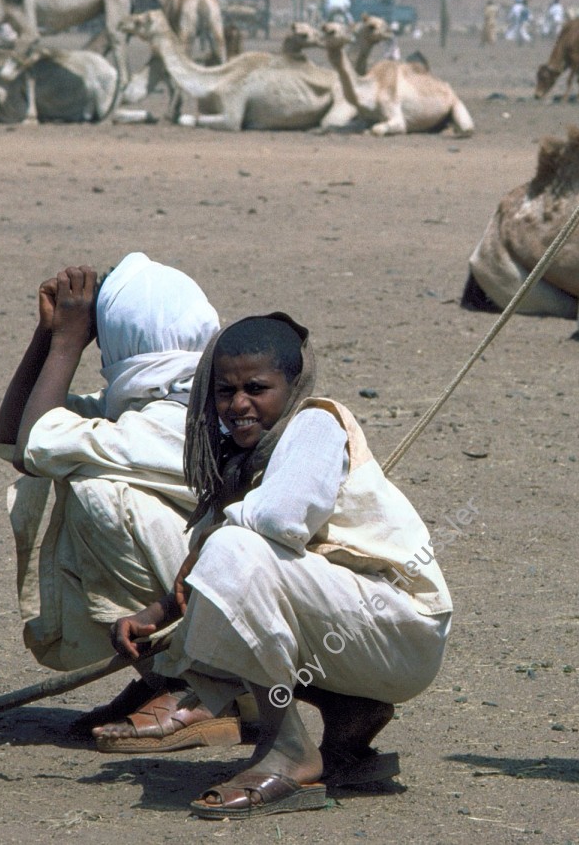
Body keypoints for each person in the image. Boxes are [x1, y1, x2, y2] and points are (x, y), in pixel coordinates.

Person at [111, 314, 452, 819]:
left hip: (399, 629)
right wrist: (159, 612)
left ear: (293, 386)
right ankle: (348, 711)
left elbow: (282, 520)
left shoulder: (314, 423)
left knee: (232, 553)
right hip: (359, 636)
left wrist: (212, 542)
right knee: (208, 605)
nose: (238, 404)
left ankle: (287, 749)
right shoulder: (239, 464)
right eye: (225, 391)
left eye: (257, 388)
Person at [0, 253, 237, 751]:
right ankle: (167, 677)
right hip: (216, 593)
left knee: (95, 493)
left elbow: (35, 445)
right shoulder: (153, 399)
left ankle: (201, 690)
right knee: (89, 479)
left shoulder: (170, 418)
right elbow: (15, 435)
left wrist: (65, 343)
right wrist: (48, 336)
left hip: (229, 604)